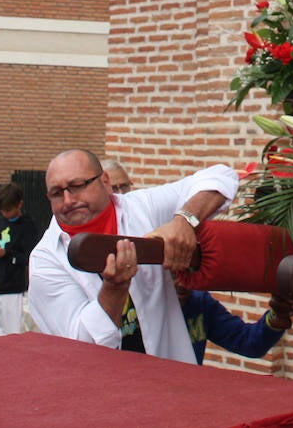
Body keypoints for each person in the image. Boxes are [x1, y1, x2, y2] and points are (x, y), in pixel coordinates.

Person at [29, 149, 238, 363]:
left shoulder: (142, 207)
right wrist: (114, 289)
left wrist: (184, 220)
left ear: (105, 180)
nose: (67, 200)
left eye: (77, 186)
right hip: (102, 389)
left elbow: (222, 177)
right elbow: (79, 346)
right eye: (56, 193)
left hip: (172, 377)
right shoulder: (45, 261)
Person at [0, 182, 38, 336]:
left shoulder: (27, 227)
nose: (5, 214)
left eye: (9, 210)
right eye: (2, 210)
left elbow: (28, 258)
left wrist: (6, 255)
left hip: (12, 288)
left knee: (11, 332)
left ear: (19, 204)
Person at [179, 287, 293, 365]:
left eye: (186, 273)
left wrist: (278, 314)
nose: (181, 283)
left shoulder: (199, 303)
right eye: (173, 274)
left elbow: (248, 342)